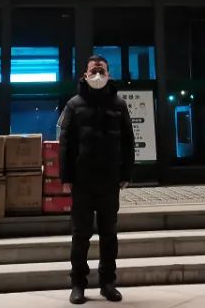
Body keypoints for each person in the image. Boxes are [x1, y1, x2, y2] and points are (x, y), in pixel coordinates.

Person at [58, 55, 135, 304]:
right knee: (81, 235)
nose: (98, 74)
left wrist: (126, 174)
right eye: (94, 70)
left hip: (109, 180)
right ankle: (78, 284)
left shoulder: (119, 104)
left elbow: (128, 141)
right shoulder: (74, 104)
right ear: (85, 75)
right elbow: (65, 143)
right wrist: (66, 176)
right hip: (82, 181)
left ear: (109, 75)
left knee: (109, 235)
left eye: (102, 70)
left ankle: (108, 283)